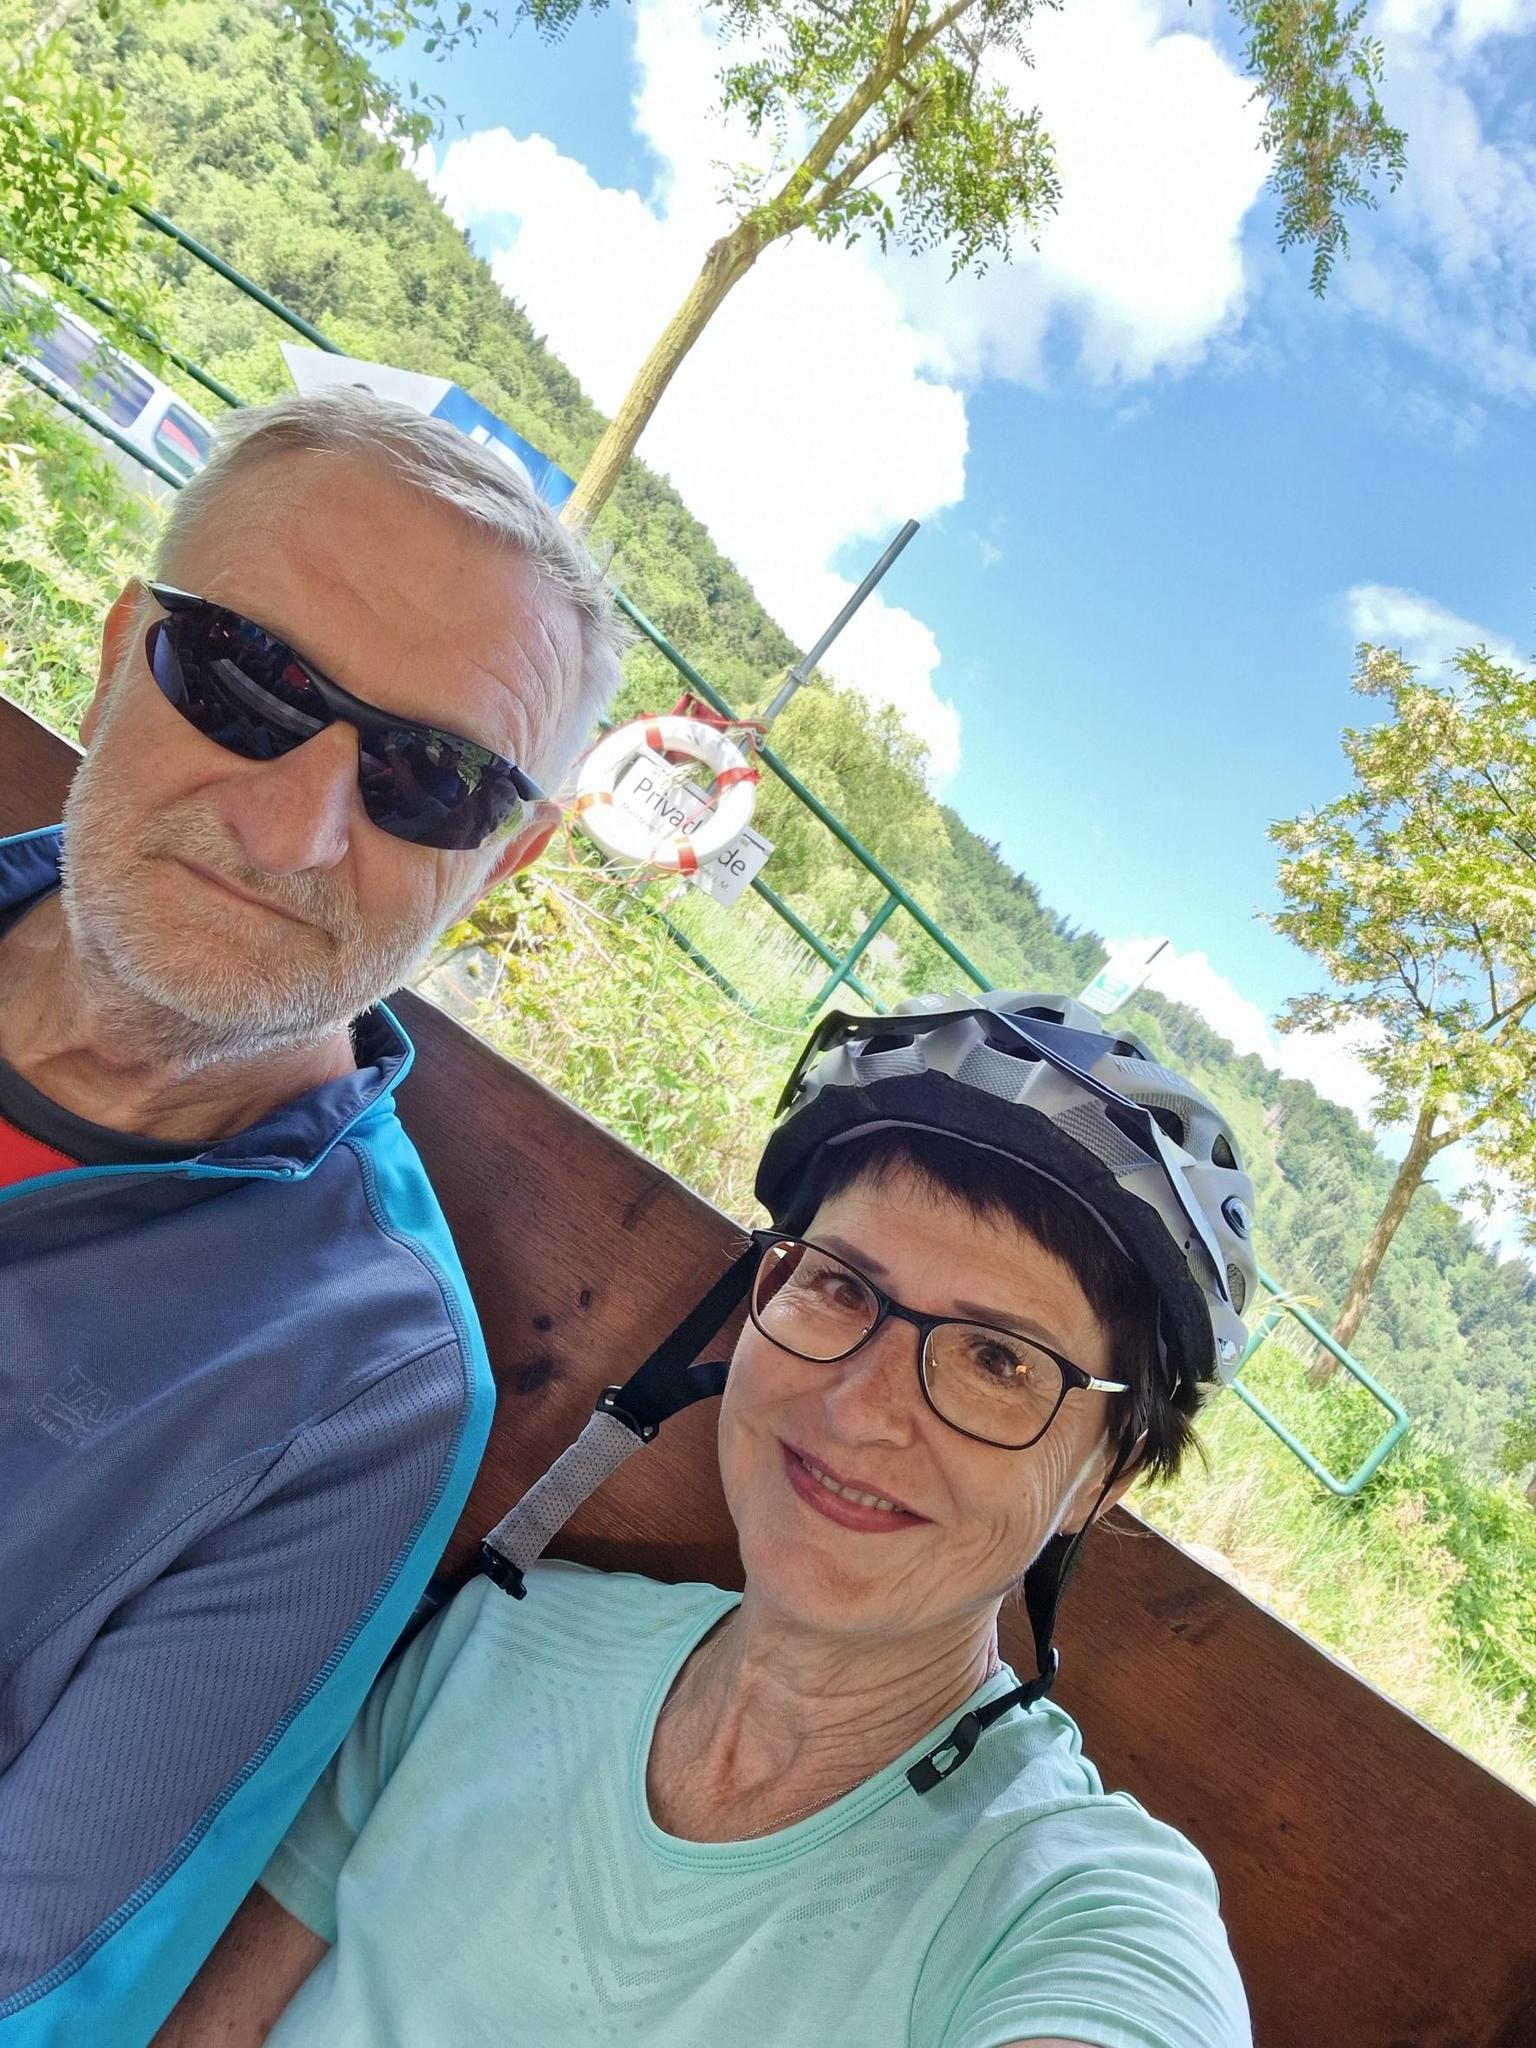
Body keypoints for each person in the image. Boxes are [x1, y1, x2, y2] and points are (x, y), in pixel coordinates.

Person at [161, 994, 1257, 2048]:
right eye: (841, 1285)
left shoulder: (1074, 1907)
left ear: (1104, 1476)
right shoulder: (494, 1642)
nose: (860, 1408)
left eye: (998, 1360)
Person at [0, 385, 625, 2046]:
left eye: (431, 778)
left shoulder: (362, 1383)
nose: (295, 828)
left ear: (502, 862)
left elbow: (40, 1972)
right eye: (250, 678)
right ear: (123, 650)